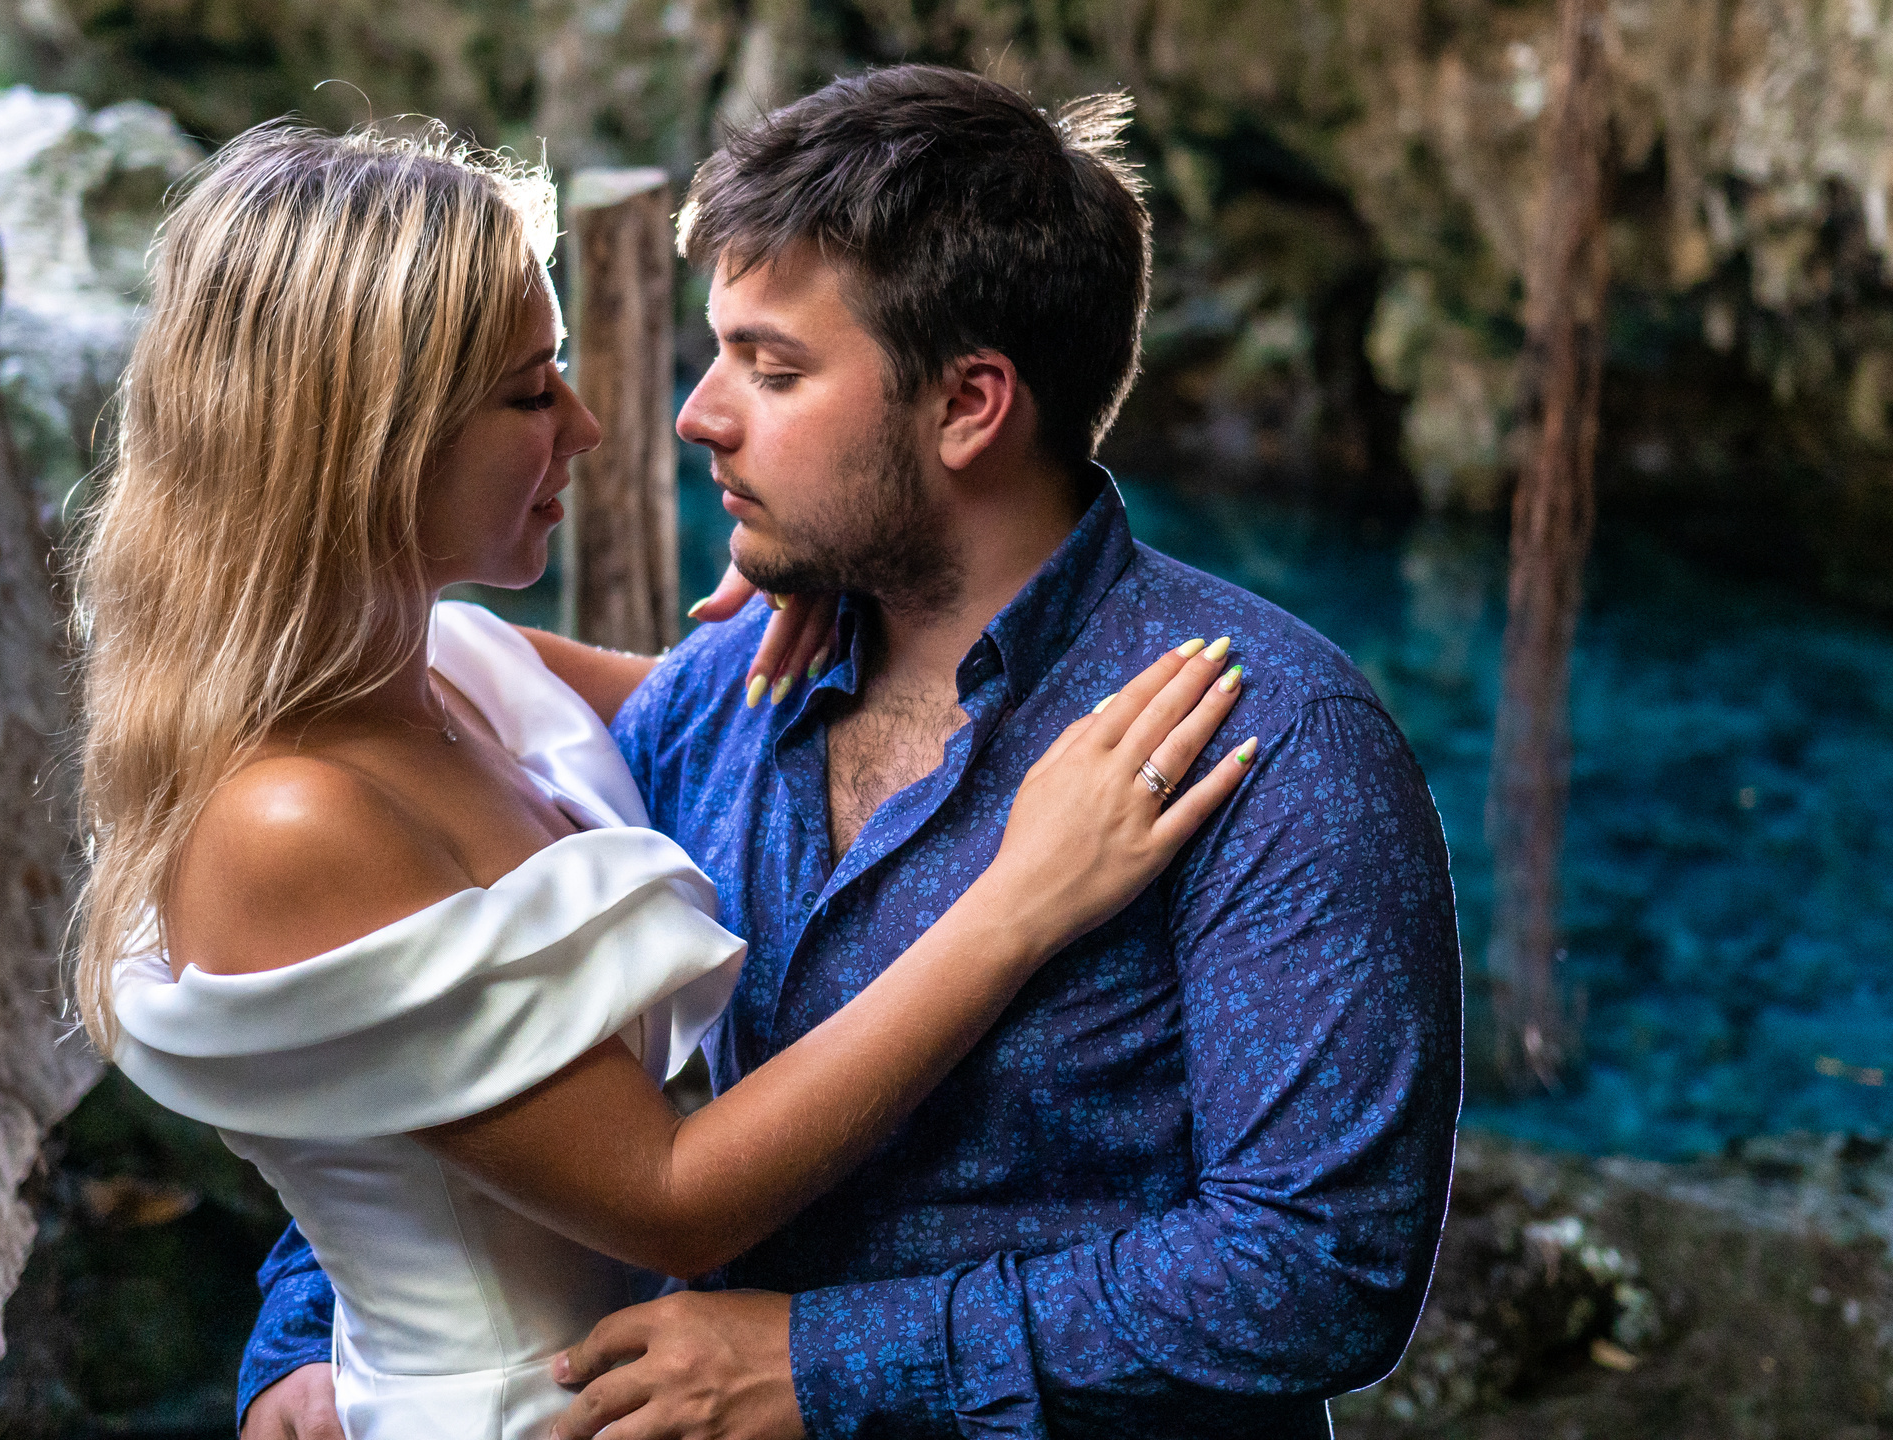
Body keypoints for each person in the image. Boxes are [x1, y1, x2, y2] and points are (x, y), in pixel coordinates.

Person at [240, 65, 1465, 1440]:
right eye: (718, 355)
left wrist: (824, 1365)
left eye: (772, 370)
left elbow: (1316, 1271)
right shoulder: (721, 697)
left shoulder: (1266, 740)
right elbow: (482, 1047)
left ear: (970, 406)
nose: (700, 414)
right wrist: (310, 1332)